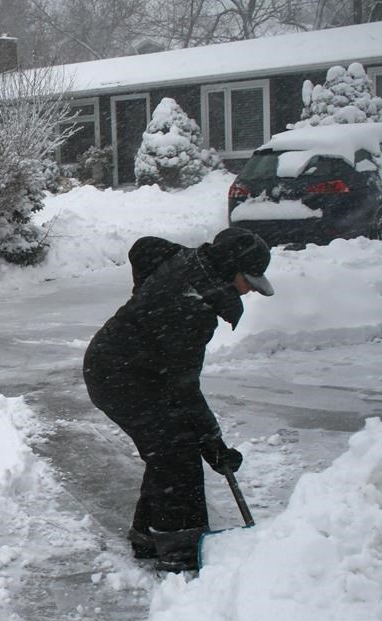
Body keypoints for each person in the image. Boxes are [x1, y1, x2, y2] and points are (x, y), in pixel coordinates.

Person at [82, 227, 273, 572]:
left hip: (131, 369)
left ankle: (148, 536)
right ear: (231, 268)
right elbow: (183, 387)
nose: (250, 290)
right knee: (175, 453)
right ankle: (180, 550)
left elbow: (145, 249)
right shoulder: (191, 306)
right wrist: (212, 441)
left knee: (168, 446)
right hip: (119, 376)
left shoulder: (192, 271)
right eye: (249, 279)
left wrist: (209, 438)